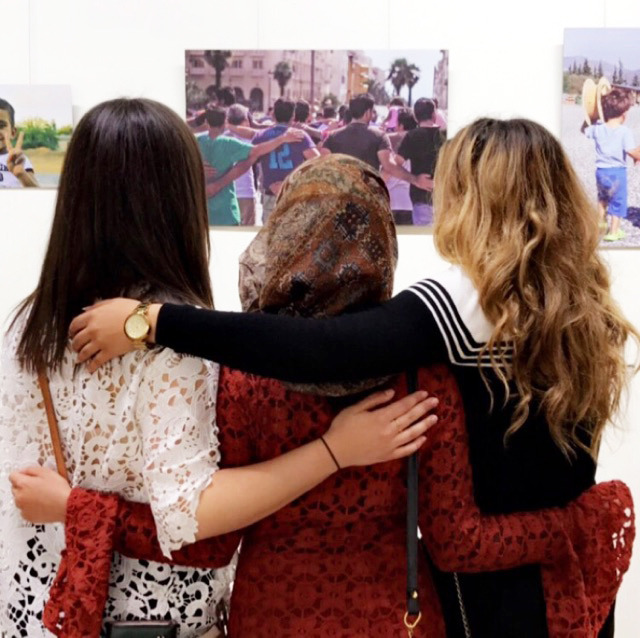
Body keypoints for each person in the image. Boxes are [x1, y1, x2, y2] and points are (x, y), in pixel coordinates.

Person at [67, 119, 638, 636]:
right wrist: (577, 527)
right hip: (572, 592)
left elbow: (323, 351)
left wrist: (153, 321)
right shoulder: (584, 314)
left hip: (475, 606)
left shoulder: (459, 306)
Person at [0, 99, 435, 638]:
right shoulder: (180, 347)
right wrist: (333, 451)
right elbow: (191, 522)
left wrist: (69, 508)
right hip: (156, 616)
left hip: (41, 601)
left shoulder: (27, 324)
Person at [196, 106, 305, 225]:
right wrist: (282, 139)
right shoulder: (228, 143)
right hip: (226, 211)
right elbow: (256, 150)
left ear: (207, 121)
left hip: (202, 210)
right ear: (224, 121)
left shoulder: (197, 141)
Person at [321, 93, 430, 192]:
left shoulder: (332, 136)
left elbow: (324, 166)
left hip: (340, 196)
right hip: (367, 197)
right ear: (368, 112)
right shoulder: (378, 136)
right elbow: (389, 166)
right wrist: (415, 179)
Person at [582, 88, 640, 242]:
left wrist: (590, 116)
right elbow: (632, 152)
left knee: (603, 198)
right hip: (617, 173)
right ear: (624, 115)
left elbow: (584, 130)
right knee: (617, 201)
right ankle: (614, 232)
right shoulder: (624, 131)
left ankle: (600, 224)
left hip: (601, 172)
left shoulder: (598, 129)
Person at [252, 98, 319, 222]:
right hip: (294, 193)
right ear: (293, 116)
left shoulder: (261, 136)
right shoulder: (300, 136)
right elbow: (319, 162)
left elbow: (249, 158)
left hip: (271, 193)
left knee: (270, 232)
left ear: (273, 115)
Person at [396, 98, 444, 225]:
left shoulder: (412, 136)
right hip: (444, 197)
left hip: (421, 197)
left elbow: (396, 164)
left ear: (415, 117)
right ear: (434, 114)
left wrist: (414, 179)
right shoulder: (445, 135)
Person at [383, 107, 417, 225]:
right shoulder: (418, 143)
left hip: (391, 201)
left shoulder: (390, 141)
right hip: (410, 203)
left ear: (401, 125)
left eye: (397, 124)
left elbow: (387, 171)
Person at [224, 104, 257, 225]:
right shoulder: (251, 138)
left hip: (225, 192)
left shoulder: (221, 137)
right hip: (245, 192)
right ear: (245, 121)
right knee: (247, 232)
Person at [0, 99, 38, 188]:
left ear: (13, 133)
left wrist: (21, 174)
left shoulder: (18, 159)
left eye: (1, 125)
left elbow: (37, 190)